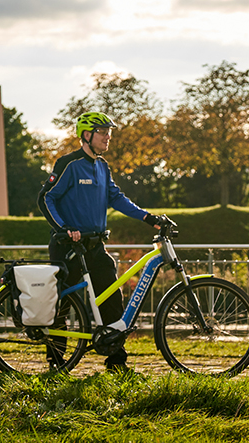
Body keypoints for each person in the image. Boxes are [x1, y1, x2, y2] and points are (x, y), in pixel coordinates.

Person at [38, 112, 168, 371]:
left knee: (112, 300)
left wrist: (147, 217)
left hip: (95, 247)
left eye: (110, 132)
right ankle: (56, 362)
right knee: (62, 304)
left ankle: (116, 360)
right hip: (68, 246)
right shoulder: (69, 164)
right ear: (87, 135)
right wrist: (64, 228)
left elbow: (116, 197)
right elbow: (46, 198)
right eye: (103, 132)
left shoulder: (102, 166)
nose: (108, 137)